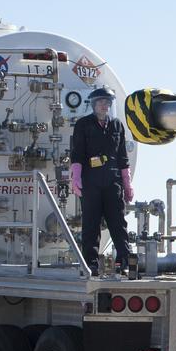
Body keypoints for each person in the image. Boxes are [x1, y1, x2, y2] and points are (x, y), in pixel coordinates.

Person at [70, 86, 133, 277]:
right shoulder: (83, 124)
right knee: (91, 223)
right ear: (93, 104)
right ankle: (90, 263)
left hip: (112, 179)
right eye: (101, 102)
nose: (104, 106)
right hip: (91, 178)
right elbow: (77, 153)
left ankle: (125, 260)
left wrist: (127, 182)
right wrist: (76, 176)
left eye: (107, 102)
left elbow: (122, 156)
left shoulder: (117, 126)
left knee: (118, 222)